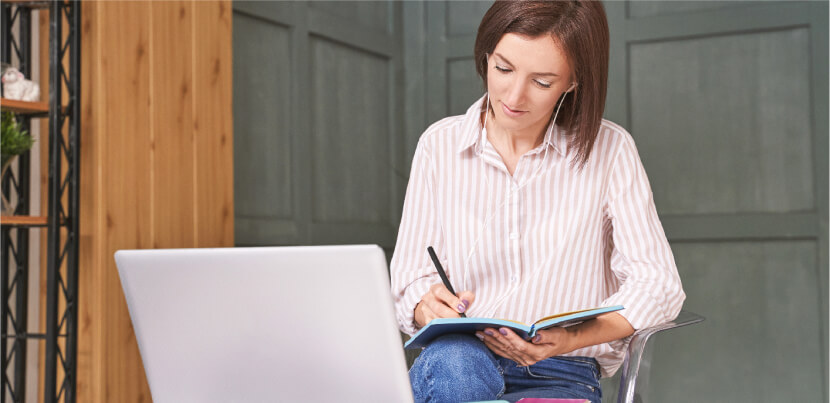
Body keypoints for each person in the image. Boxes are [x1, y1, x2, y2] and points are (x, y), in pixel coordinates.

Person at [390, 1, 686, 402]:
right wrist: (428, 308)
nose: (514, 95)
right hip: (458, 364)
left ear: (574, 81)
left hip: (562, 370)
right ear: (486, 55)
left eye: (542, 82)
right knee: (457, 368)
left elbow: (658, 285)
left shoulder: (611, 150)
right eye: (503, 68)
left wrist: (568, 339)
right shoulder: (438, 146)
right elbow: (410, 281)